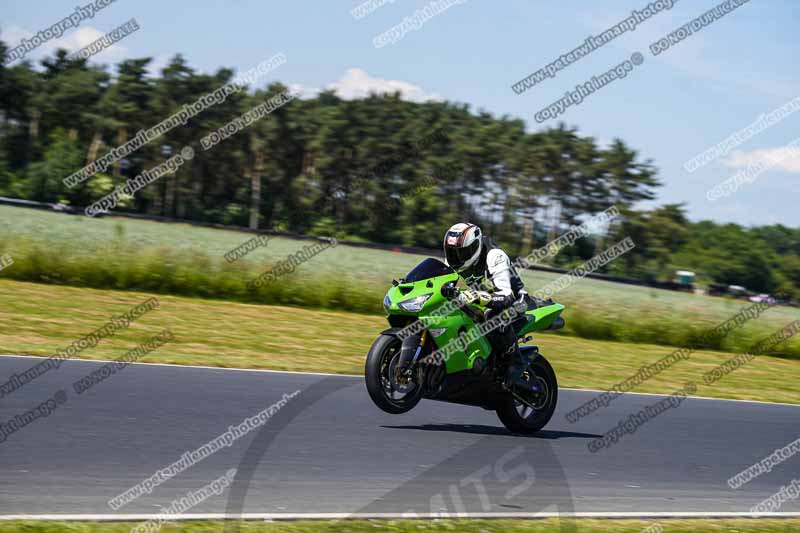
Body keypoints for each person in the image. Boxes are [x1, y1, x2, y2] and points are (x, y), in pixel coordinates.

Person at [442, 222, 535, 389]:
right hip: (486, 300)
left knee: (492, 317)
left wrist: (476, 296)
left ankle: (516, 362)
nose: (456, 257)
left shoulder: (494, 256)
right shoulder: (453, 261)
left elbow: (506, 296)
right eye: (452, 252)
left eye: (461, 252)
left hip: (515, 300)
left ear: (475, 246)